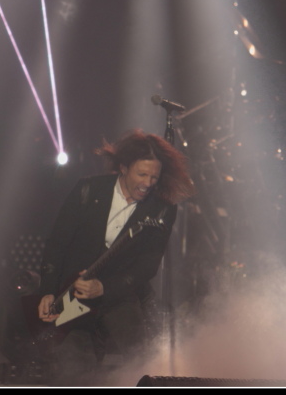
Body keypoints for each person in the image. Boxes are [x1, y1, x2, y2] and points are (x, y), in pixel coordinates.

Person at [36, 129, 195, 384]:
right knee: (74, 369)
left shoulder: (163, 208)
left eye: (154, 177)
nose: (148, 183)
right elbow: (57, 243)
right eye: (141, 174)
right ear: (123, 168)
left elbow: (148, 264)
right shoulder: (89, 189)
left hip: (119, 294)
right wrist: (47, 291)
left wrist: (104, 288)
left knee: (141, 362)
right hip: (72, 295)